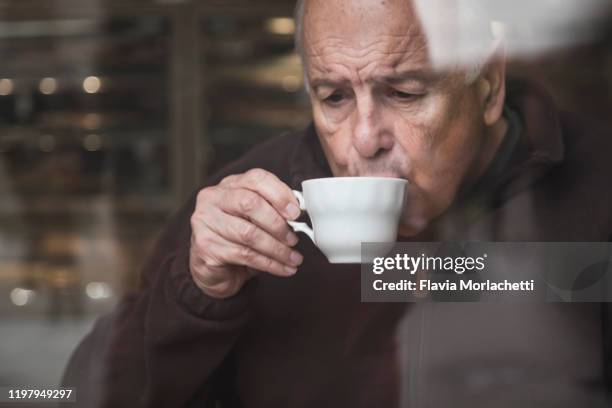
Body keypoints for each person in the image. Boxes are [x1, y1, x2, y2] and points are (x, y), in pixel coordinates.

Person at [62, 0, 612, 406]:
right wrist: (197, 295)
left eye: (404, 92)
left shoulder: (595, 185)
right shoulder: (255, 200)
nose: (363, 137)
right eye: (334, 97)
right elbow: (84, 394)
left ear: (488, 86)